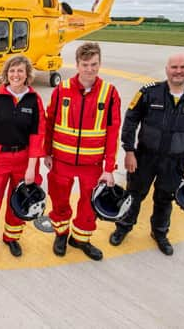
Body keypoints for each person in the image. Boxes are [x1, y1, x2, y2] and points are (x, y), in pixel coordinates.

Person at [109, 53, 184, 255]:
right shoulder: (149, 93)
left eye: (183, 67)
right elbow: (130, 121)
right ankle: (123, 227)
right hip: (144, 157)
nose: (178, 71)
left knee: (165, 199)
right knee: (134, 194)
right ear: (166, 69)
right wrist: (129, 151)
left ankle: (159, 233)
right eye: (174, 67)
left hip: (175, 160)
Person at [44, 42, 121, 261]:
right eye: (85, 64)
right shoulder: (62, 89)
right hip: (61, 161)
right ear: (77, 65)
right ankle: (61, 234)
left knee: (89, 205)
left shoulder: (110, 93)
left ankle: (81, 239)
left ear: (100, 63)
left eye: (94, 64)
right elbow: (49, 123)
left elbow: (112, 132)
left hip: (93, 165)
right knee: (59, 200)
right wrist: (47, 152)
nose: (90, 69)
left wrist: (109, 168)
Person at [0, 55, 46, 267]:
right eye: (12, 71)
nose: (16, 75)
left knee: (19, 204)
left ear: (27, 74)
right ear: (6, 73)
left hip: (24, 161)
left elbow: (37, 136)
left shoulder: (34, 100)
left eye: (20, 71)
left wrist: (31, 168)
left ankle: (11, 238)